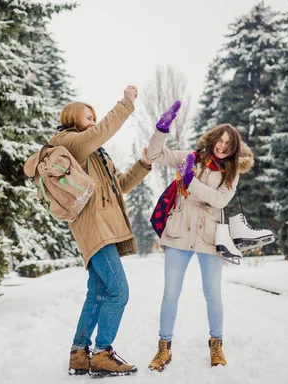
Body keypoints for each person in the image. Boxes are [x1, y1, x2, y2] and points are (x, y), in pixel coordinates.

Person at [52, 85, 154, 377]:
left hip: (102, 227)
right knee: (119, 291)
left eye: (95, 117)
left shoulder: (96, 154)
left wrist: (144, 164)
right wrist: (126, 103)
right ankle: (102, 354)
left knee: (98, 292)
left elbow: (119, 185)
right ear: (73, 118)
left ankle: (79, 353)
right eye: (88, 117)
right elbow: (100, 132)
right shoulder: (70, 142)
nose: (94, 122)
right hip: (94, 227)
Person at [145, 111, 254, 371]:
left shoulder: (232, 170)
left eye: (229, 144)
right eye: (221, 140)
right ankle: (164, 348)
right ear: (213, 138)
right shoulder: (191, 158)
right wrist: (161, 130)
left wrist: (190, 181)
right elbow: (156, 155)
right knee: (170, 293)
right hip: (179, 232)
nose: (223, 147)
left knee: (213, 294)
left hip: (209, 238)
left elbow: (219, 200)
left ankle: (216, 346)